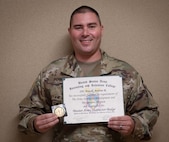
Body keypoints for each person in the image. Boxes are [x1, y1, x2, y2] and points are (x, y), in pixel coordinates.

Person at [18, 5, 159, 142]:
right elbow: (27, 112)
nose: (85, 33)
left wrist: (134, 125)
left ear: (101, 30)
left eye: (92, 26)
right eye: (78, 27)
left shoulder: (126, 72)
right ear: (70, 31)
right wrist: (35, 123)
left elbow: (150, 111)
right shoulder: (51, 73)